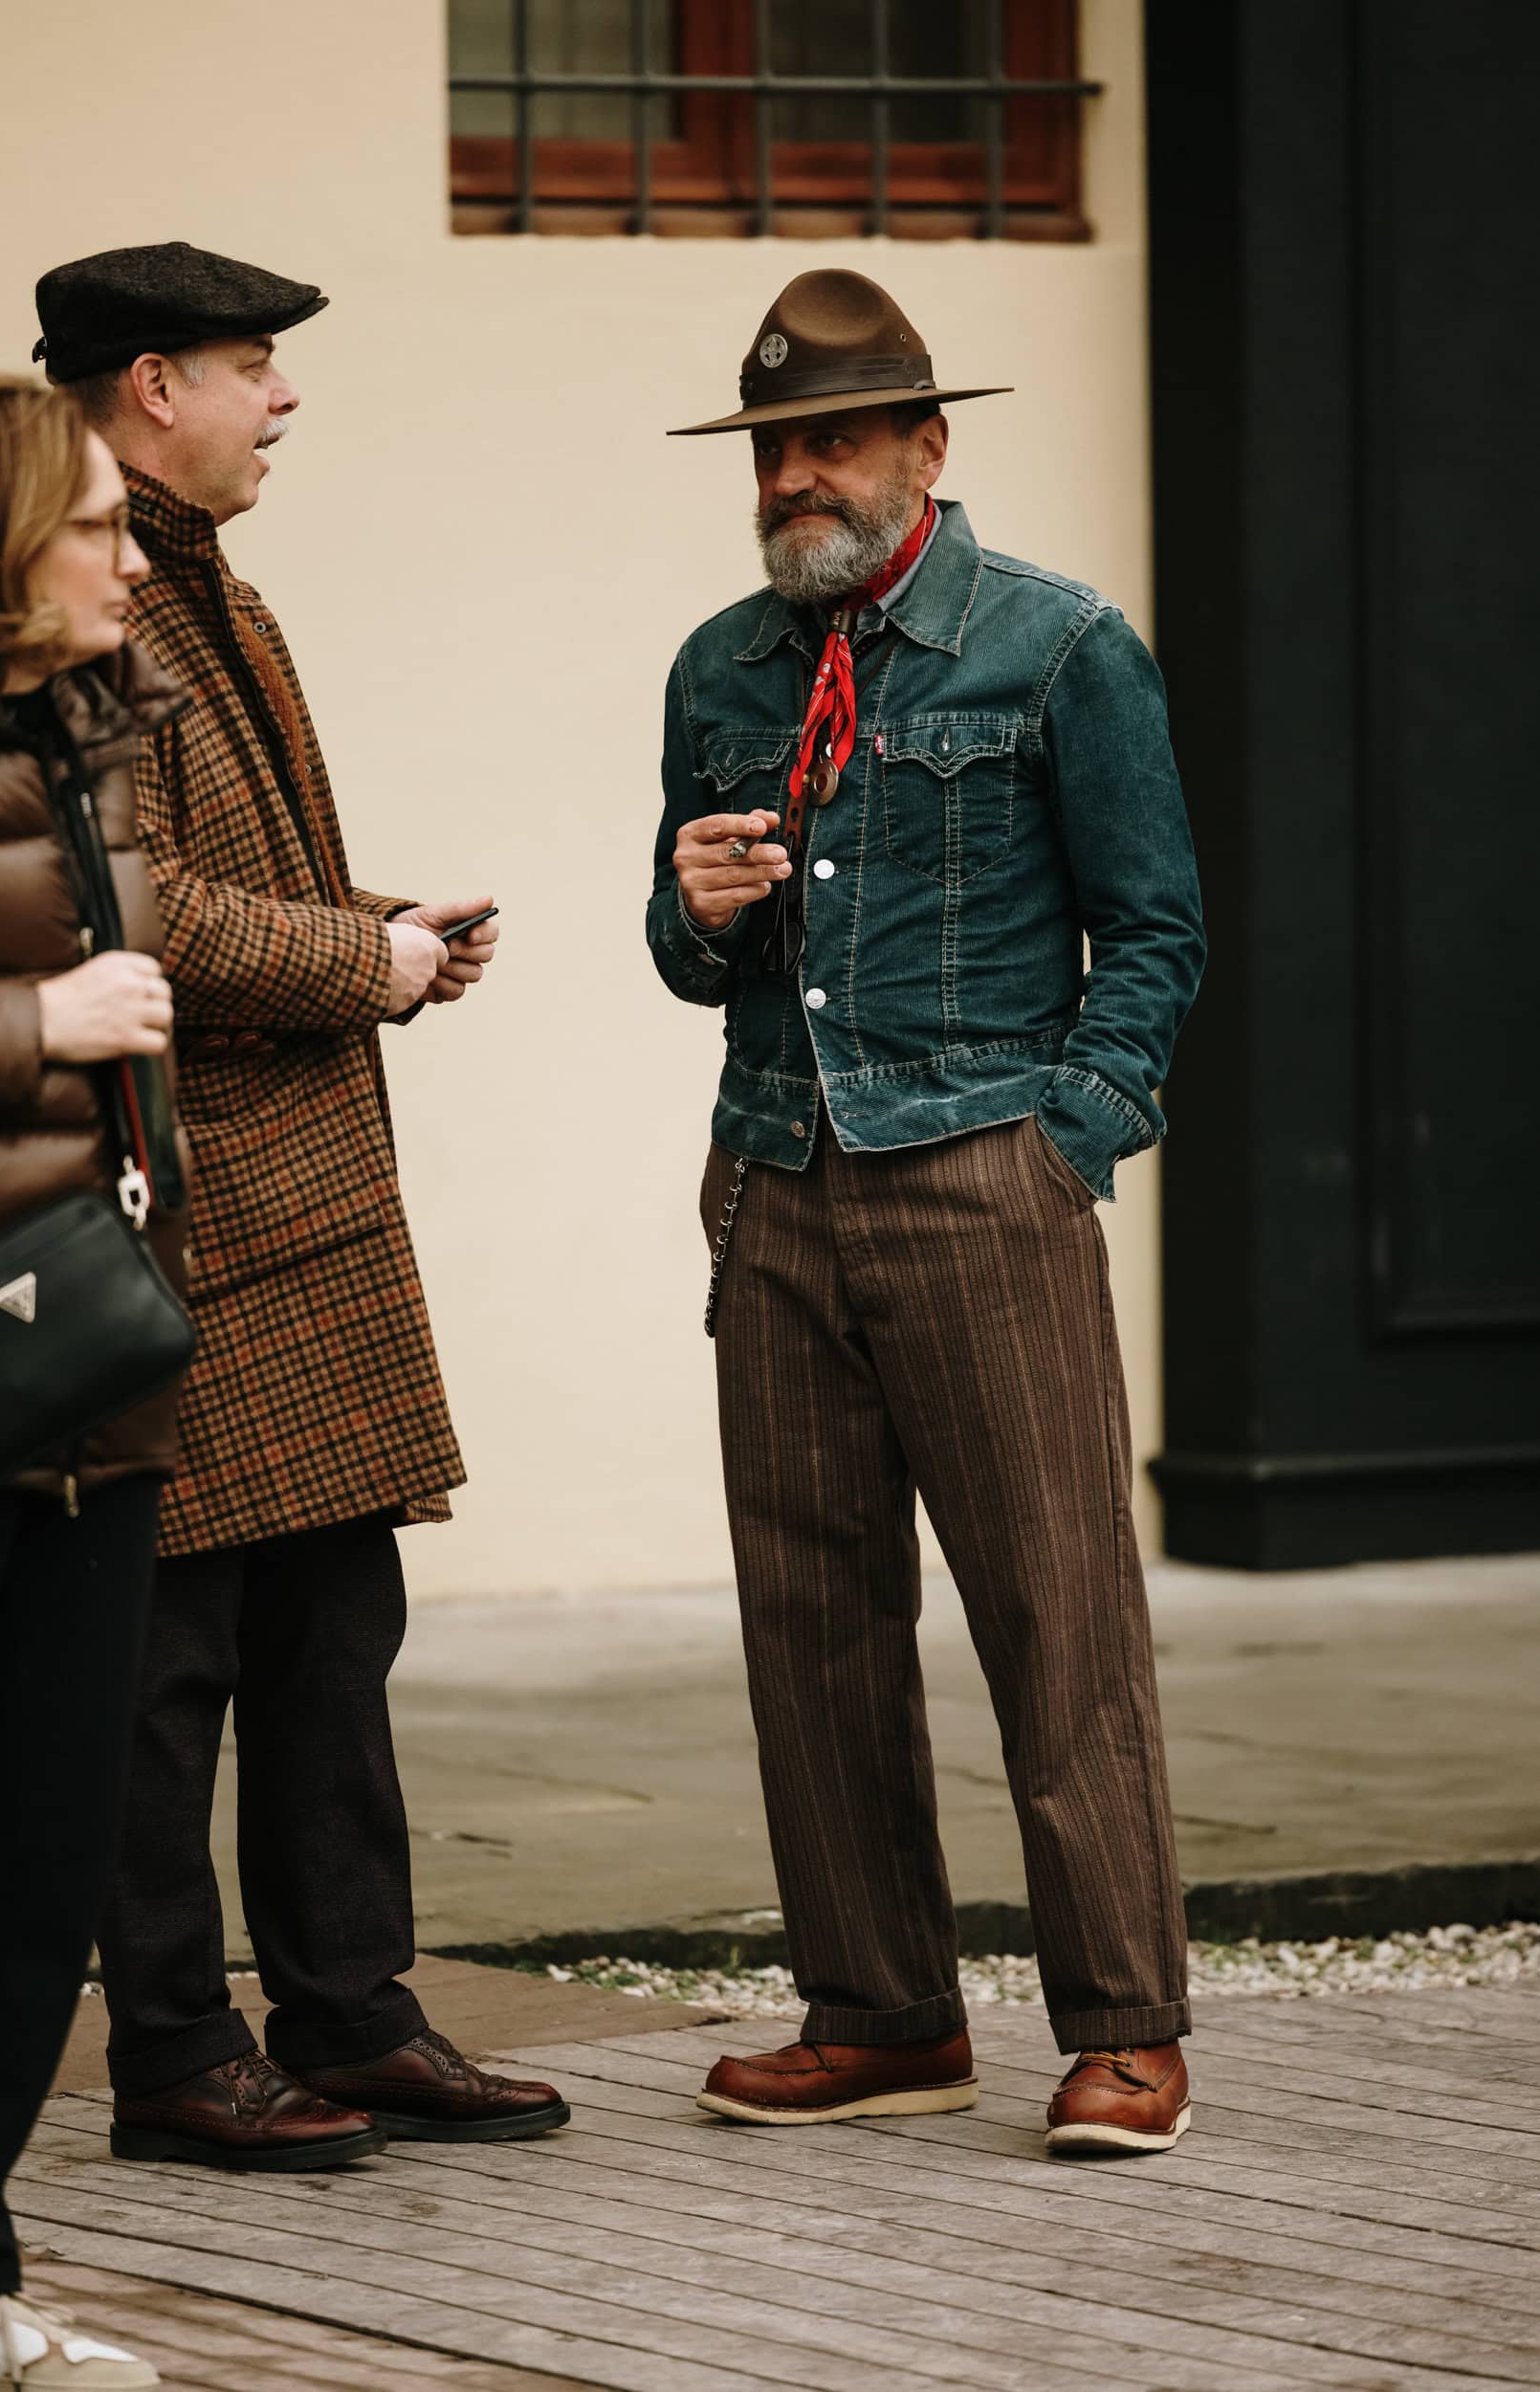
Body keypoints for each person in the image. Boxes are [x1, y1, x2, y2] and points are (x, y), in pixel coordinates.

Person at [649, 271, 1206, 2156]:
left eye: (831, 442)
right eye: (773, 449)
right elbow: (686, 955)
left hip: (983, 1178)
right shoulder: (724, 667)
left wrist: (1069, 1142)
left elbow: (1157, 934)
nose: (795, 476)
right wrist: (693, 904)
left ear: (924, 448)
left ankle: (1126, 2020)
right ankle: (879, 2009)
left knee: (1057, 1610)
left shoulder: (1054, 646)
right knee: (812, 1617)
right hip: (775, 1180)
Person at [31, 243, 564, 2168]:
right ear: (147, 381)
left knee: (336, 1627)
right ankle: (176, 2049)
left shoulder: (214, 585)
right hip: (171, 1211)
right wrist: (370, 963)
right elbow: (132, 901)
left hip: (299, 1206)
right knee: (166, 1661)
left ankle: (355, 2009)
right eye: (254, 364)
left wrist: (375, 932)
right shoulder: (68, 605)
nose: (286, 397)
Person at [0, 371, 191, 2386]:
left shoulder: (97, 732)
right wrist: (35, 1014)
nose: (133, 554)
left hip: (88, 1367)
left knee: (37, 1862)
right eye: (99, 524)